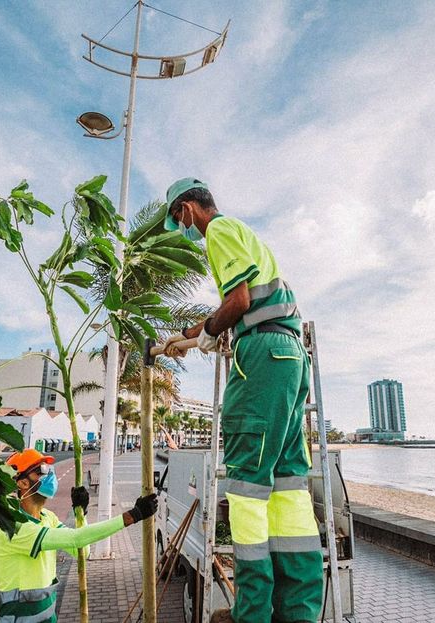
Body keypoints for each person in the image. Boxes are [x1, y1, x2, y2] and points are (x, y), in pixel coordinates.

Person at [161, 179, 323, 623]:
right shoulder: (245, 237)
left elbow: (238, 300)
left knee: (248, 486)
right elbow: (235, 304)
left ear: (188, 208)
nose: (181, 227)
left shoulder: (218, 231)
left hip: (262, 357)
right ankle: (300, 612)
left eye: (178, 219)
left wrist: (212, 333)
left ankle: (252, 613)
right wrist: (189, 336)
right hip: (288, 356)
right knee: (289, 484)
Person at [0, 449, 157, 623]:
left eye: (50, 468)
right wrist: (131, 516)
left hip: (48, 617)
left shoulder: (47, 517)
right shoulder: (12, 526)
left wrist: (81, 514)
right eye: (43, 470)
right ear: (23, 483)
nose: (51, 474)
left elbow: (82, 552)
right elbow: (75, 538)